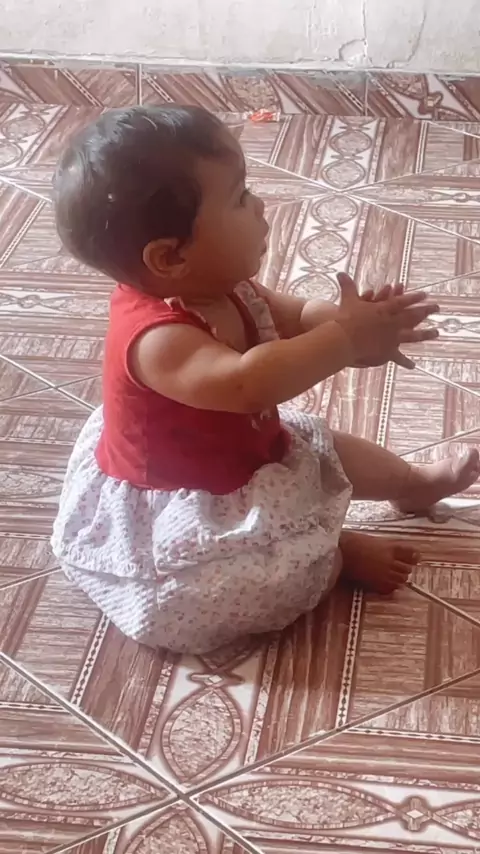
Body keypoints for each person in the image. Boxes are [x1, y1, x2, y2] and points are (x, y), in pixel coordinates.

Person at [51, 105, 480, 654]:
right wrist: (344, 341)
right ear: (170, 256)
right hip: (189, 501)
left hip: (249, 449)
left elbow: (294, 315)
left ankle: (413, 485)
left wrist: (353, 326)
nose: (259, 206)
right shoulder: (157, 340)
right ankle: (336, 554)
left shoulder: (222, 285)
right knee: (224, 588)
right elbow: (247, 384)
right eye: (239, 198)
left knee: (327, 450)